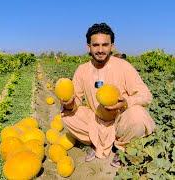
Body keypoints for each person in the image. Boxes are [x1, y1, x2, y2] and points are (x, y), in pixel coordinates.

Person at [60, 23, 155, 167]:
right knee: (67, 116)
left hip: (120, 119)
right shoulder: (82, 70)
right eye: (95, 45)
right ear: (89, 47)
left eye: (105, 45)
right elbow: (76, 100)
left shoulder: (123, 66)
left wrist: (125, 103)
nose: (100, 50)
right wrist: (69, 104)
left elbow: (146, 95)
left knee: (138, 116)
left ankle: (123, 148)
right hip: (96, 120)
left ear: (112, 46)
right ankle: (96, 142)